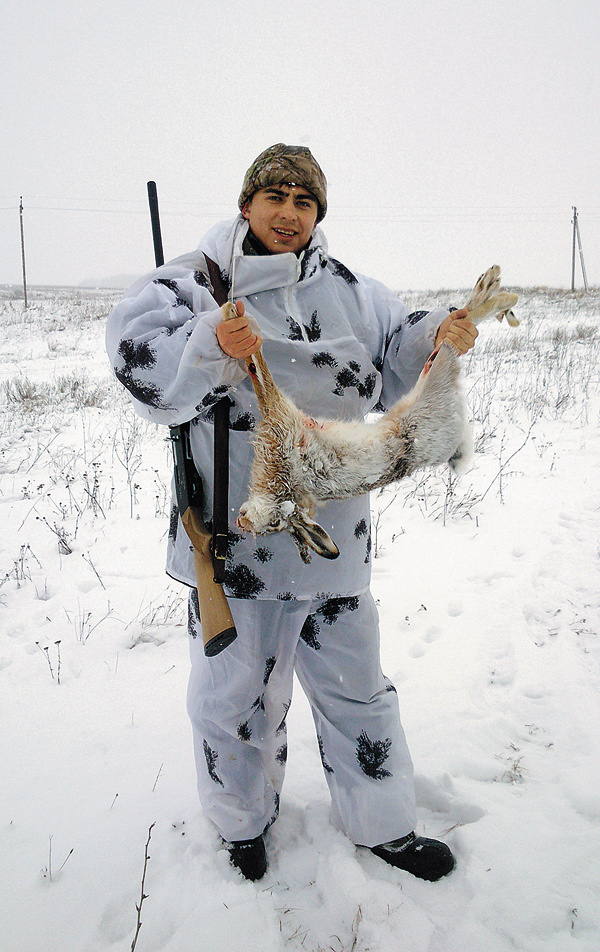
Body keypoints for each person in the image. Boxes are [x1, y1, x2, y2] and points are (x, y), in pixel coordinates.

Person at [106, 144, 477, 883]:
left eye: (304, 202)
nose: (289, 213)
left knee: (358, 691)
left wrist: (438, 333)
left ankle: (383, 825)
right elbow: (139, 363)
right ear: (246, 204)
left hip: (334, 538)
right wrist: (208, 343)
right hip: (235, 539)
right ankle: (241, 825)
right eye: (274, 197)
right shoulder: (189, 284)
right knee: (235, 698)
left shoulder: (351, 291)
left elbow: (395, 355)